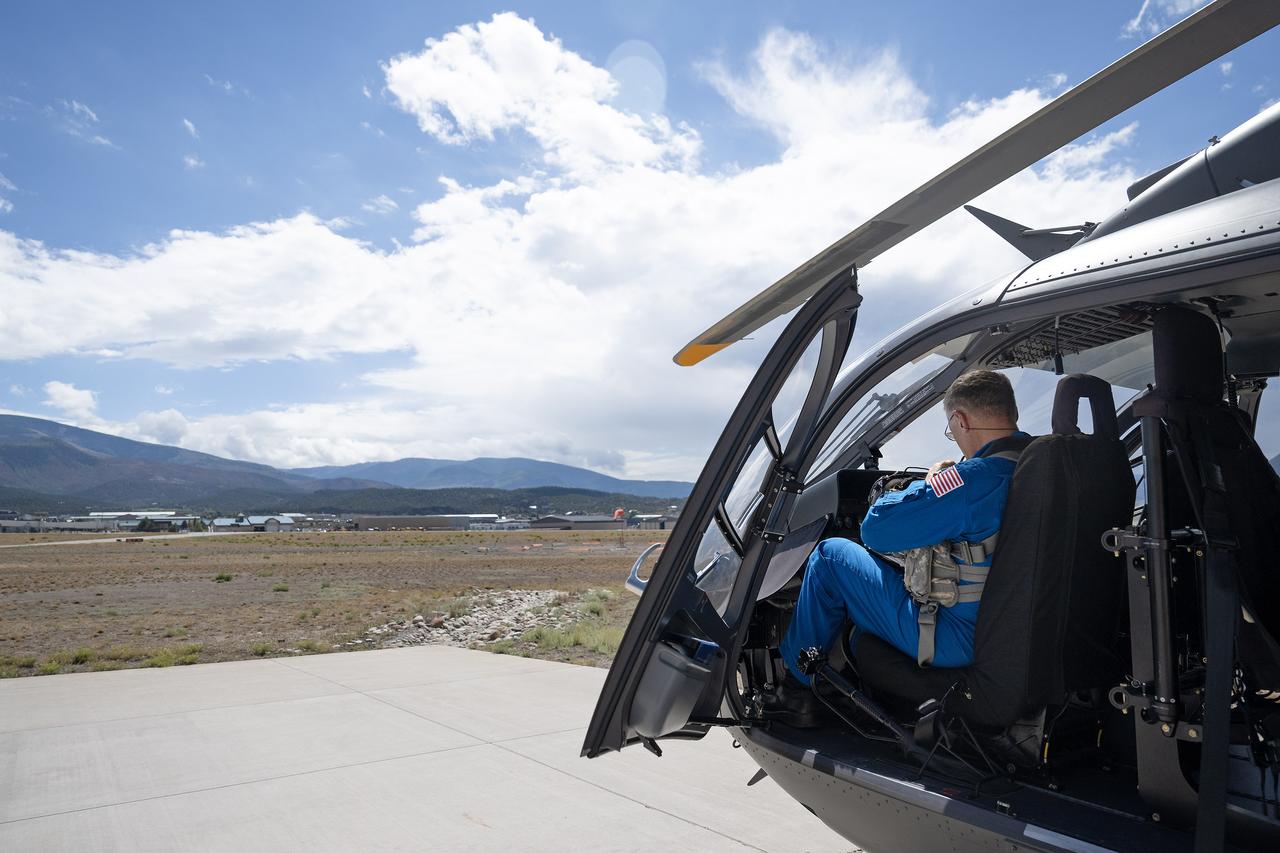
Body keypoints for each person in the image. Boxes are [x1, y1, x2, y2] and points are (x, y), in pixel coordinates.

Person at [767, 369, 1032, 721]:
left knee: (831, 557)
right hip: (1018, 629)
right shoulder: (1039, 468)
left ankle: (796, 693)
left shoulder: (970, 480)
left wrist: (932, 481)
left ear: (960, 419)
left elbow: (877, 531)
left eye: (950, 431)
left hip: (956, 639)